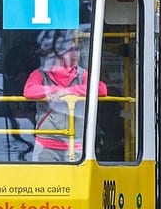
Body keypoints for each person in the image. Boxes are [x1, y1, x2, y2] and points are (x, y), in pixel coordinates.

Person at [23, 30, 107, 161]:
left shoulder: (83, 74)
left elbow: (102, 89)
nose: (74, 54)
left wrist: (67, 92)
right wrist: (52, 91)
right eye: (69, 50)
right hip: (46, 145)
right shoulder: (40, 73)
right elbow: (29, 91)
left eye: (76, 50)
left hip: (77, 145)